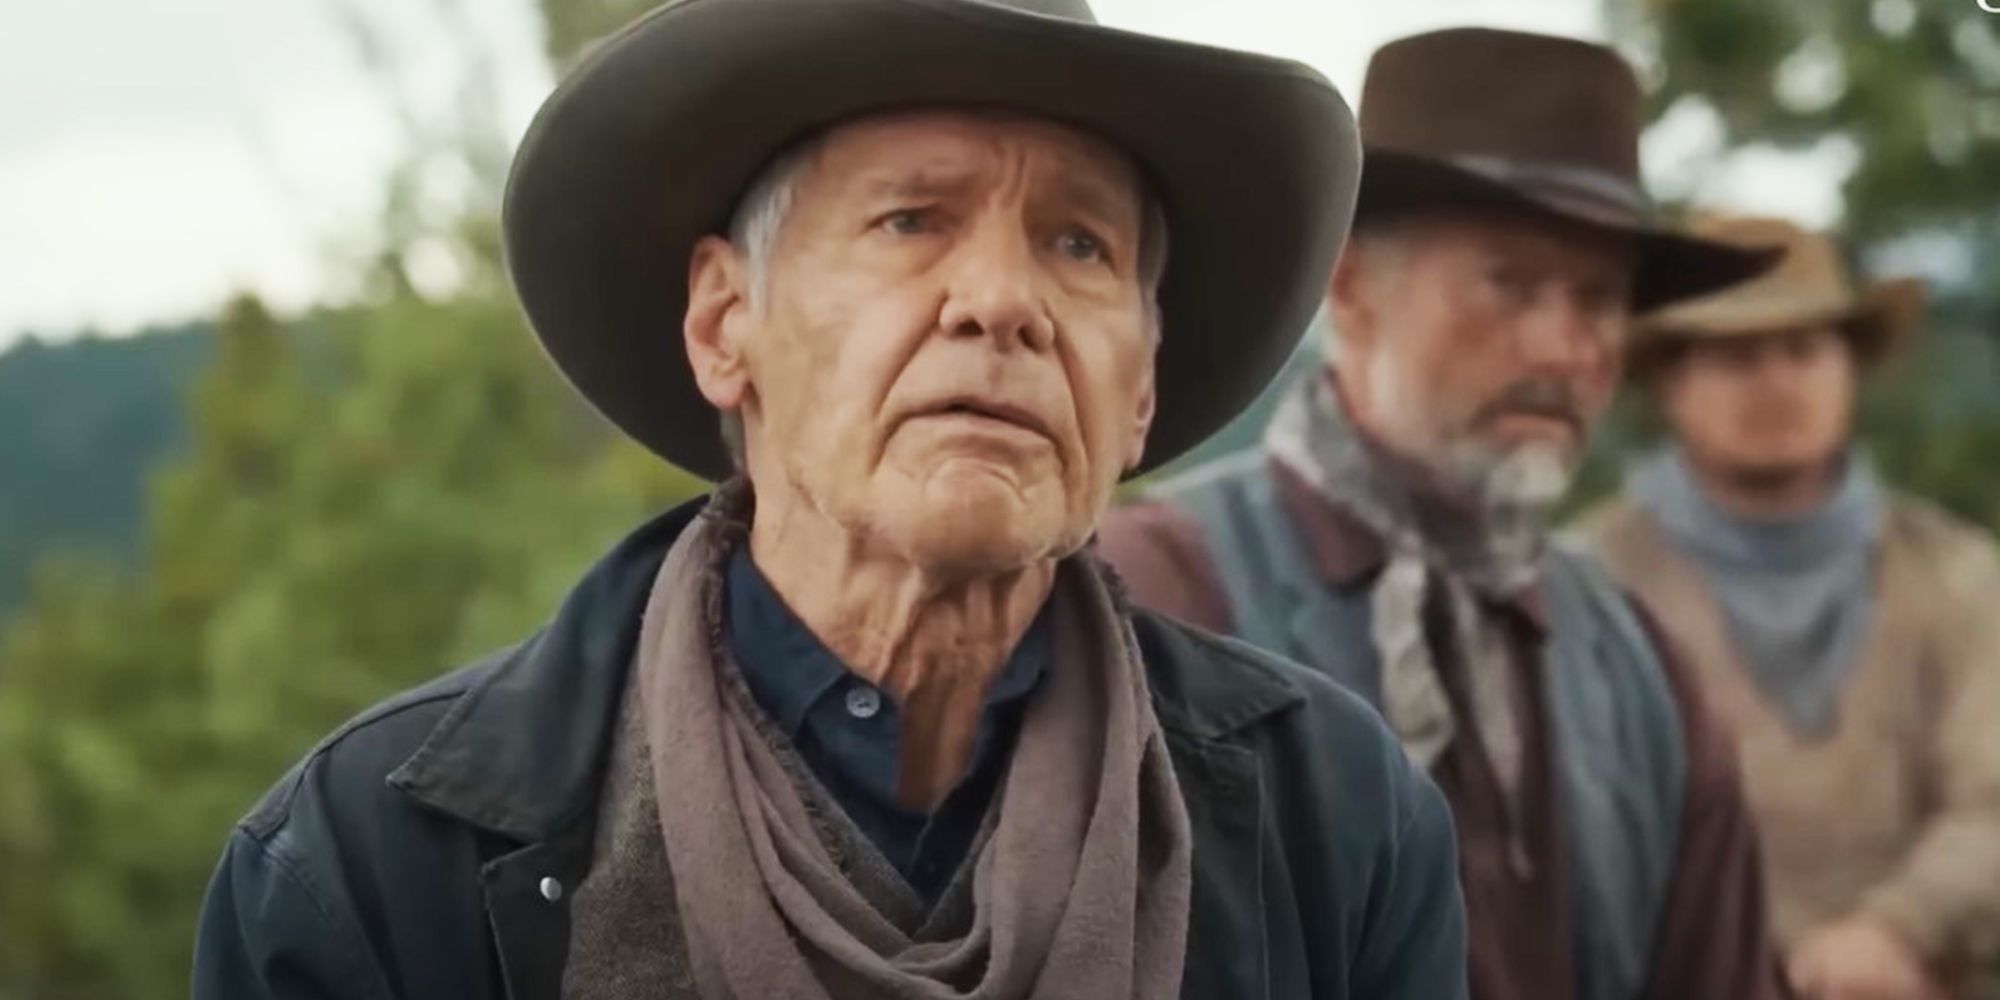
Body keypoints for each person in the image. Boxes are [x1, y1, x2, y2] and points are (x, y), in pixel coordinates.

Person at [189, 1, 1468, 997]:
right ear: (722, 319)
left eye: (1079, 245)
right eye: (912, 220)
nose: (1001, 302)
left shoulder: (1336, 821)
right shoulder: (374, 867)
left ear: (1137, 391)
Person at [1098, 28, 1786, 1000]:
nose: (1559, 346)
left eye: (1595, 300)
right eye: (1505, 283)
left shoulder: (1639, 664)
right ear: (1348, 289)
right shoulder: (1150, 588)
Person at [1580, 215, 2000, 1000]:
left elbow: (1995, 801)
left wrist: (1898, 925)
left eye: (1805, 350)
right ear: (1672, 381)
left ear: (1850, 367)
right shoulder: (1590, 586)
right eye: (1738, 357)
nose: (1776, 382)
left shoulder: (1961, 575)